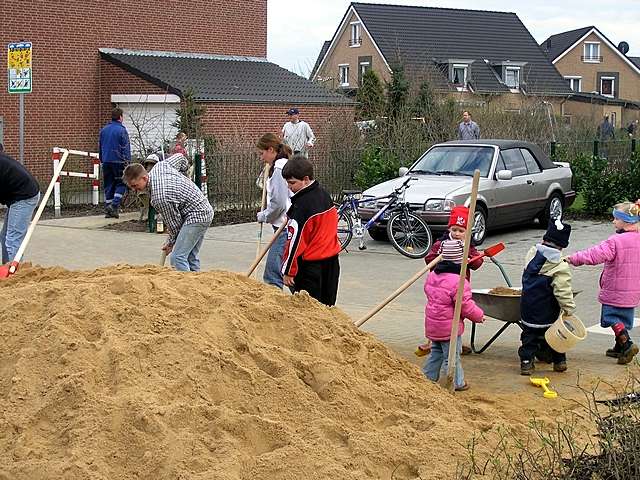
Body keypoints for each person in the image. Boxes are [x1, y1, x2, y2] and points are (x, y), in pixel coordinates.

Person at [567, 201, 640, 365]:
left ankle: (626, 343)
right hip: (634, 289)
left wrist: (573, 258)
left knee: (612, 317)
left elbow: (595, 255)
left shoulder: (615, 241)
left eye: (615, 219)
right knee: (624, 318)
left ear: (626, 222)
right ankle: (619, 347)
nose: (613, 222)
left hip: (615, 288)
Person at [123, 154, 213, 272]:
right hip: (202, 209)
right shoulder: (159, 167)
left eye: (135, 185)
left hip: (197, 215)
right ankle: (199, 284)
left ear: (144, 178)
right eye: (131, 187)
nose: (135, 190)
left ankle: (187, 288)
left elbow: (175, 225)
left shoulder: (160, 197)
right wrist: (185, 175)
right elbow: (180, 157)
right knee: (189, 256)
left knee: (178, 258)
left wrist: (170, 243)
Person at [417, 205, 483, 357]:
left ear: (467, 232)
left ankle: (455, 340)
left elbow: (477, 264)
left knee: (459, 313)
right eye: (454, 230)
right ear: (449, 229)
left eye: (461, 231)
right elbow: (429, 259)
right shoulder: (442, 244)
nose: (457, 233)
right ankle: (435, 342)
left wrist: (471, 259)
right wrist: (445, 261)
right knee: (440, 313)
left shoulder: (468, 245)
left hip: (460, 285)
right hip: (441, 286)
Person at [422, 239, 485, 391]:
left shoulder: (432, 275)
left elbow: (429, 292)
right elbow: (465, 305)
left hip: (433, 324)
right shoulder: (458, 281)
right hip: (449, 328)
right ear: (461, 260)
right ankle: (455, 382)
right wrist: (479, 315)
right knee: (451, 357)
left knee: (436, 352)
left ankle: (427, 378)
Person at [281, 155, 340, 306]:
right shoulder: (324, 195)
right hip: (332, 262)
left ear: (306, 179)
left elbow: (294, 243)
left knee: (308, 310)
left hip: (311, 268)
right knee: (327, 306)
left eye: (292, 183)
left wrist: (288, 271)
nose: (289, 187)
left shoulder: (302, 207)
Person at [519, 218, 575, 375]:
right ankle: (559, 361)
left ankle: (526, 363)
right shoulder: (560, 266)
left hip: (528, 309)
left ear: (544, 239)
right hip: (548, 311)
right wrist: (569, 308)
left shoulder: (531, 254)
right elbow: (562, 291)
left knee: (529, 337)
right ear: (563, 246)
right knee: (555, 336)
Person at [256, 133, 292, 289]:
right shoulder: (280, 166)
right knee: (288, 270)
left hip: (284, 227)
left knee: (272, 274)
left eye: (262, 153)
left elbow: (278, 204)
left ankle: (274, 309)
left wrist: (264, 215)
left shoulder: (279, 170)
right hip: (286, 226)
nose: (262, 157)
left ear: (270, 150)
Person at [0, 151, 41, 265]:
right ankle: (6, 268)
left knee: (13, 239)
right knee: (5, 236)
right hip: (17, 195)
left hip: (24, 196)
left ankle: (16, 273)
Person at [99, 107, 131, 218]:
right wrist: (127, 161)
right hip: (119, 161)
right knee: (121, 183)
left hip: (106, 161)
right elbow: (125, 147)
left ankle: (108, 209)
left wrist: (102, 159)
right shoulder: (122, 130)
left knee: (109, 184)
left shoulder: (104, 130)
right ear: (120, 117)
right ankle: (114, 205)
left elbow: (100, 146)